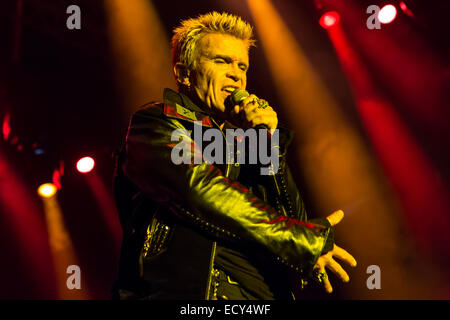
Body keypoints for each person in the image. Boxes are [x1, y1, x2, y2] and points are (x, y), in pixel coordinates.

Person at [112, 11, 356, 300]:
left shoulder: (245, 143)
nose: (236, 74)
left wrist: (268, 143)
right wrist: (301, 239)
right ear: (183, 73)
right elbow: (200, 188)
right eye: (221, 61)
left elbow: (292, 219)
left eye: (242, 65)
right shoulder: (157, 122)